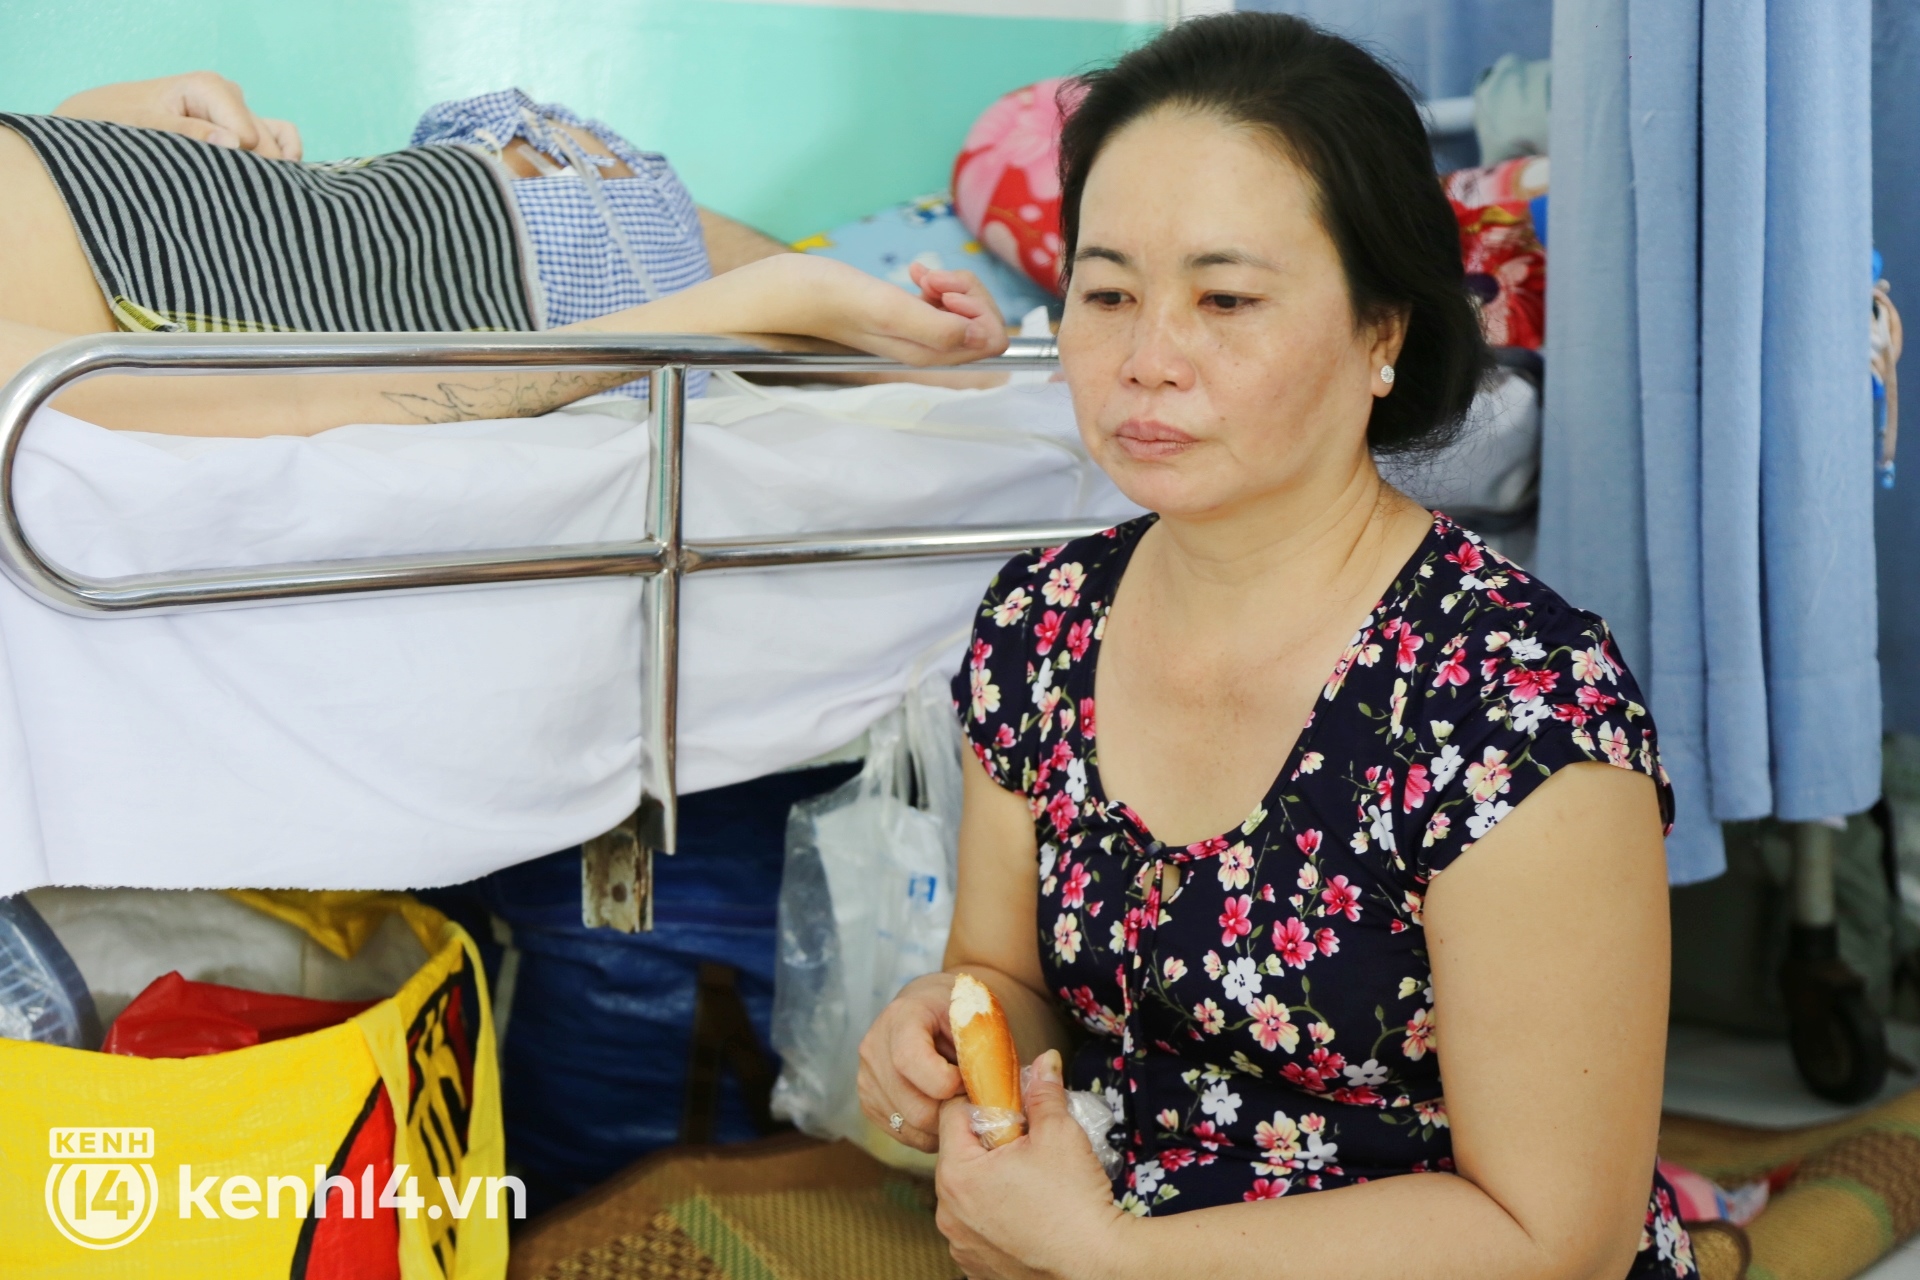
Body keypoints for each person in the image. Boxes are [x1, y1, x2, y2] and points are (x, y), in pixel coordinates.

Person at [857, 14, 1694, 1280]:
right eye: (1109, 292)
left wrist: (1114, 1257)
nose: (1147, 361)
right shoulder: (1039, 623)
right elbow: (1002, 973)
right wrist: (949, 1022)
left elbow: (1552, 1230)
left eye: (1227, 299)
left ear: (1383, 331)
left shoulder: (1515, 702)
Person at [0, 72, 1006, 437]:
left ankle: (941, 349)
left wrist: (118, 114)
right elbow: (319, 397)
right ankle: (959, 362)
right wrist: (755, 303)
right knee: (941, 365)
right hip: (535, 266)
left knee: (914, 336)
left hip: (458, 183)